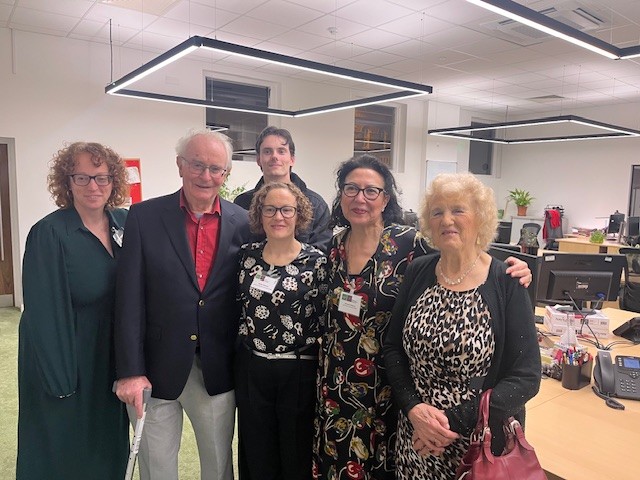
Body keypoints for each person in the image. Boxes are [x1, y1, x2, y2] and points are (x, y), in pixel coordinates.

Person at [312, 155, 532, 480]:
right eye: (351, 189)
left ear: (386, 198)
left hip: (411, 407)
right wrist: (414, 409)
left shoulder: (408, 245)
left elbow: (462, 251)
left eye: (371, 190)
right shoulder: (334, 249)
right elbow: (394, 341)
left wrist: (515, 268)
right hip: (365, 394)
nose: (360, 198)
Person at [384, 172, 542, 479]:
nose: (446, 220)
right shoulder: (418, 271)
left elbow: (526, 377)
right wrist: (413, 408)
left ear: (480, 218)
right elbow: (393, 348)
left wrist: (448, 423)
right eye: (437, 212)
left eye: (458, 210)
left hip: (477, 445)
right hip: (416, 437)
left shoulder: (507, 281)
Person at [114, 128, 250, 480]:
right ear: (180, 165)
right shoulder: (144, 217)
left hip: (215, 368)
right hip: (154, 368)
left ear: (226, 174)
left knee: (218, 466)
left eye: (216, 168)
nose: (206, 175)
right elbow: (129, 298)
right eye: (197, 164)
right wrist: (130, 370)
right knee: (157, 469)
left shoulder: (243, 222)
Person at [17, 142, 129, 479]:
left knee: (107, 441)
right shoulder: (50, 232)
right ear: (67, 181)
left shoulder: (124, 221)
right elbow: (43, 313)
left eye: (101, 177)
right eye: (82, 177)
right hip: (68, 352)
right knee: (65, 441)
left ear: (113, 181)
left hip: (111, 351)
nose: (93, 186)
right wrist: (60, 381)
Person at [235, 182, 329, 480]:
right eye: (270, 209)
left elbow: (325, 317)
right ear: (259, 214)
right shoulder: (246, 257)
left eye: (287, 210)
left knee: (295, 452)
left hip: (298, 370)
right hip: (253, 367)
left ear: (299, 215)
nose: (278, 216)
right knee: (256, 452)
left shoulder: (317, 262)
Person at [234, 126, 332, 250]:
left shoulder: (316, 205)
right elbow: (236, 249)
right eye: (267, 151)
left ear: (292, 159)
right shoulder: (242, 203)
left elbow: (321, 253)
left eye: (281, 151)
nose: (274, 157)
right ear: (258, 160)